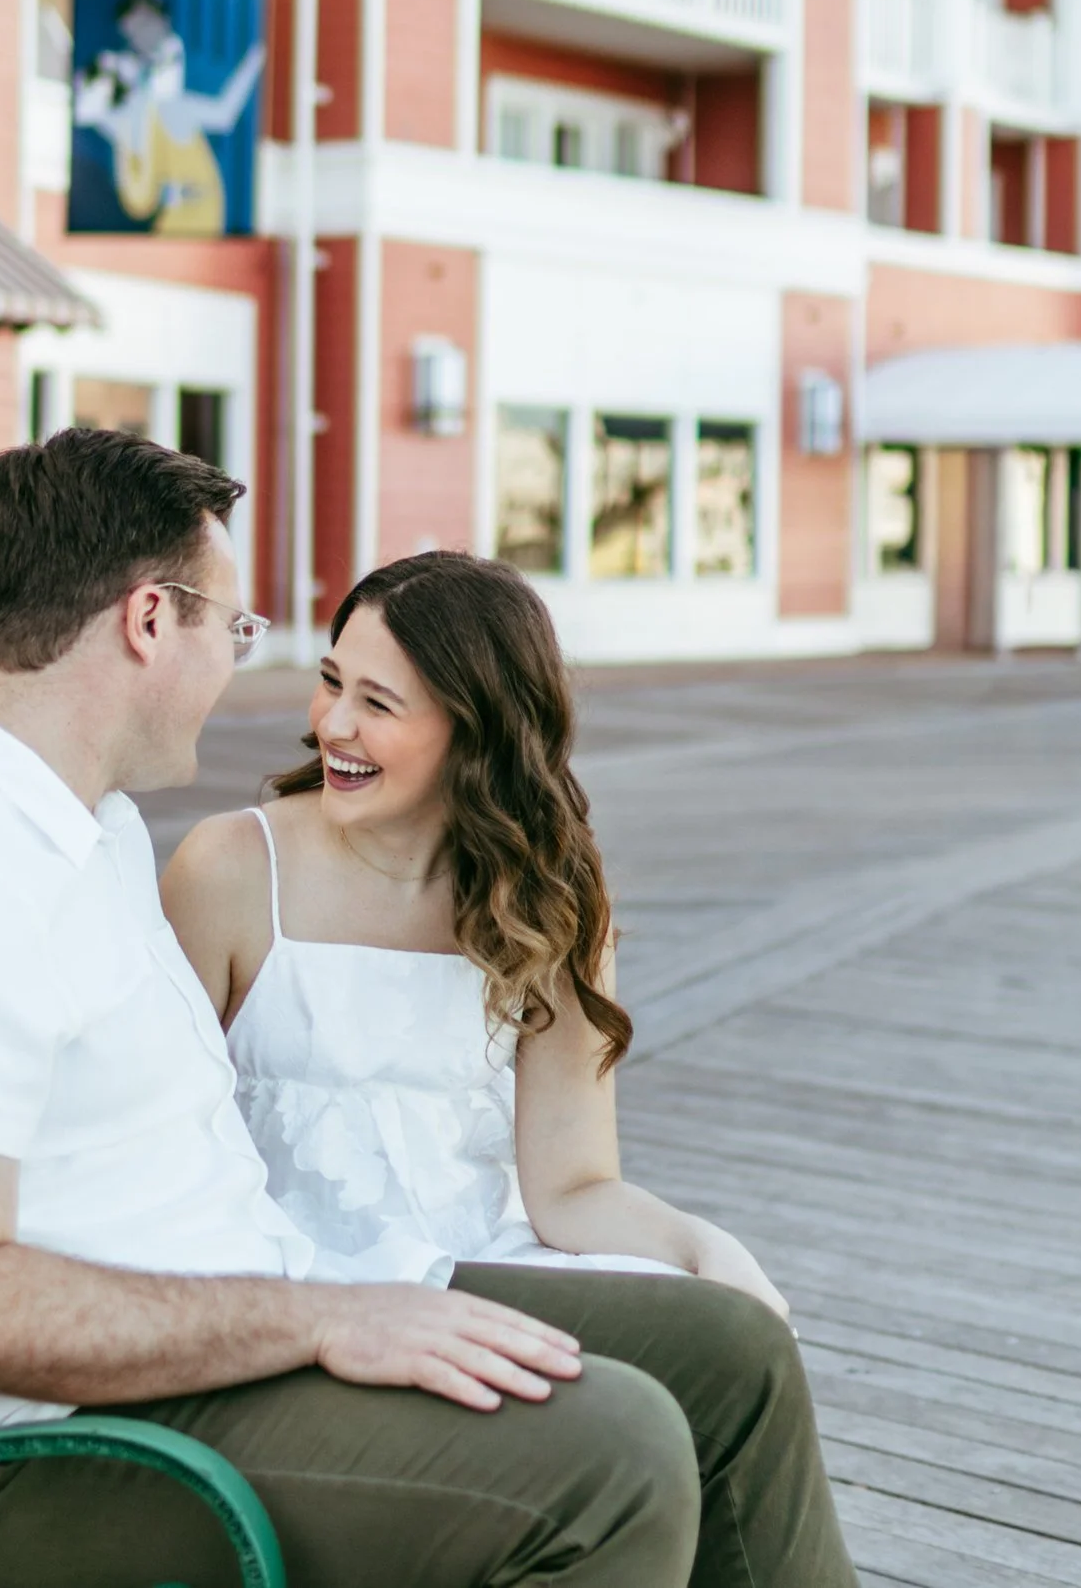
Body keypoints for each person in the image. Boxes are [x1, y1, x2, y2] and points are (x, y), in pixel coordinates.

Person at [0, 428, 855, 1588]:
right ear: (149, 620)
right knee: (612, 1455)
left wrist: (333, 1304)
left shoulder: (84, 833)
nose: (250, 674)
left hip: (206, 1361)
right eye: (234, 627)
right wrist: (318, 1320)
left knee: (727, 1357)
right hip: (33, 1464)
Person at [164, 553, 793, 1317]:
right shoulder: (228, 868)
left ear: (474, 729)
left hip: (482, 1279)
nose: (333, 723)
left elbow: (571, 1189)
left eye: (378, 703)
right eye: (331, 681)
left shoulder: (550, 900)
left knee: (735, 1333)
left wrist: (703, 1248)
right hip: (293, 1292)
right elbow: (155, 1143)